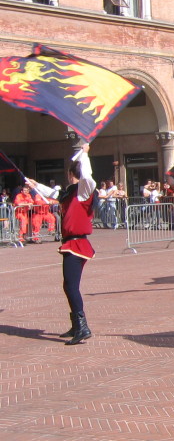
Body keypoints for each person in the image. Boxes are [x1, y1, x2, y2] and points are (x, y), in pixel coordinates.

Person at [28, 144, 97, 345]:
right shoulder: (70, 193)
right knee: (68, 285)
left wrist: (84, 155)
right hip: (71, 243)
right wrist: (35, 185)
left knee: (72, 286)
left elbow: (88, 177)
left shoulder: (84, 191)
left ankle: (82, 326)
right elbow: (53, 194)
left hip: (77, 244)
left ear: (70, 174)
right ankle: (76, 325)